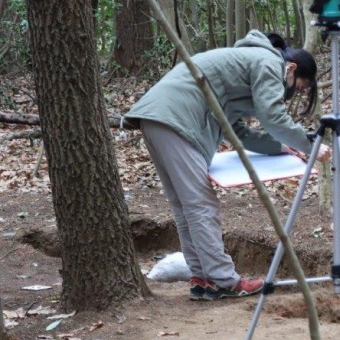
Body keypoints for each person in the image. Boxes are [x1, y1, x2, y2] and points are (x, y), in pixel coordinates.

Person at [124, 30, 328, 301]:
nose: (292, 93)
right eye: (298, 86)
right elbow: (273, 117)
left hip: (159, 118)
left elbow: (237, 131)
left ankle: (203, 279)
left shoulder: (243, 64)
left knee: (186, 207)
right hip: (176, 118)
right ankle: (223, 280)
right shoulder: (269, 62)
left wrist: (279, 147)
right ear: (290, 68)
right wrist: (309, 145)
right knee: (200, 204)